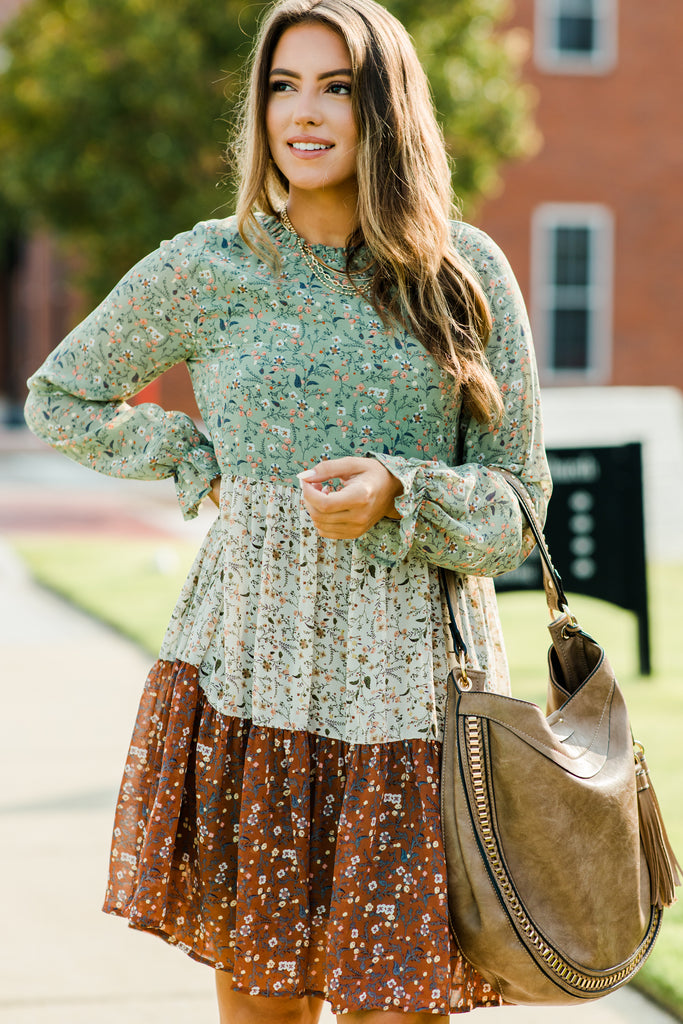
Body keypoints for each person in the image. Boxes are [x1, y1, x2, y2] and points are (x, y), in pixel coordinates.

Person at [24, 0, 551, 1020]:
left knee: (397, 1003)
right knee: (263, 1003)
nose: (301, 113)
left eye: (336, 86)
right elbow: (61, 394)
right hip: (254, 673)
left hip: (415, 696)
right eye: (281, 85)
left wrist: (404, 491)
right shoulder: (207, 266)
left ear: (384, 108)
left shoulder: (463, 272)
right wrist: (195, 458)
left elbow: (517, 503)